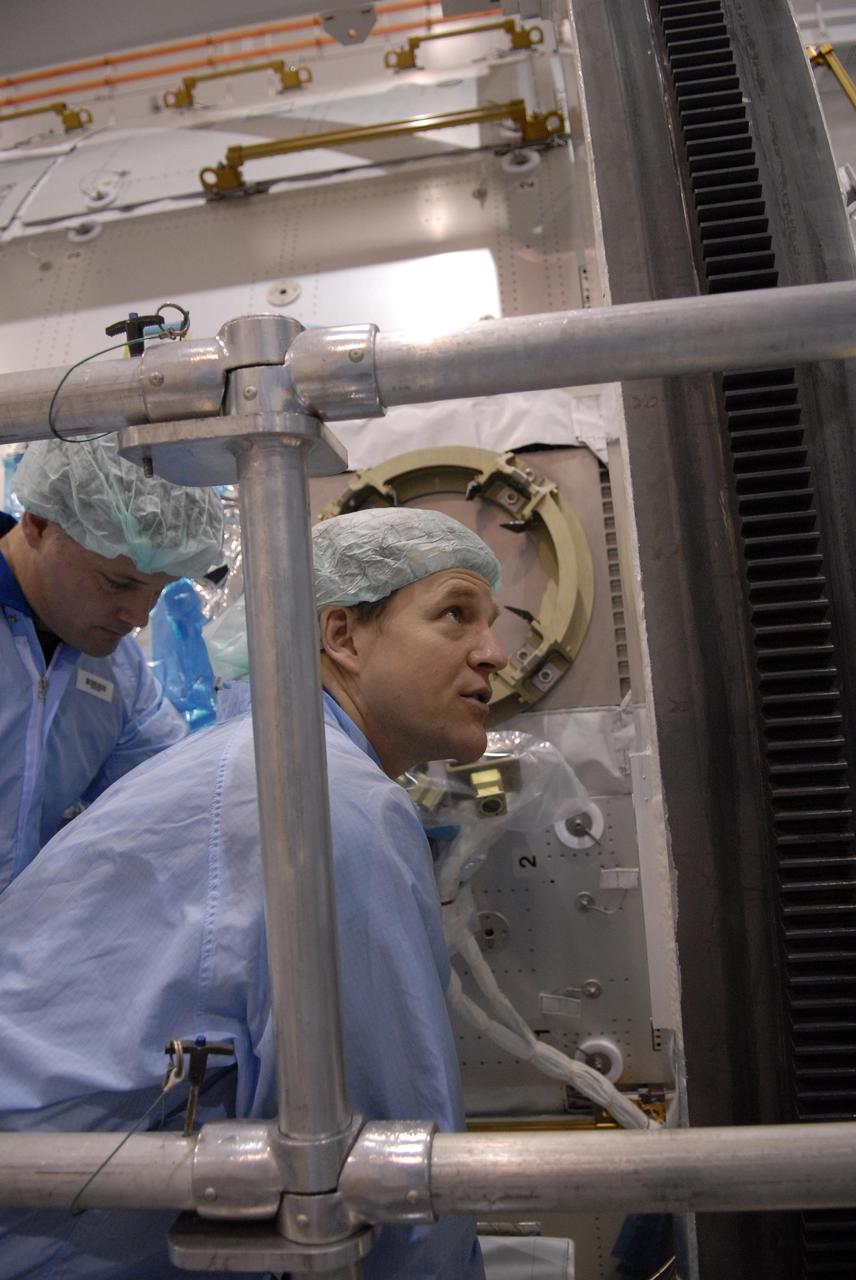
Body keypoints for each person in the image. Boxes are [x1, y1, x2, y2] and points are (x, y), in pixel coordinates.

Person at [0, 506, 507, 1280]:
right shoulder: (325, 801)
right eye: (455, 615)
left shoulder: (266, 765)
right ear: (341, 636)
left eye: (492, 623)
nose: (494, 653)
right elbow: (388, 1172)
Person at [0, 434, 224, 891]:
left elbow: (172, 800)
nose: (138, 616)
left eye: (158, 590)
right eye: (118, 583)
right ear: (38, 523)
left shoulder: (117, 671)